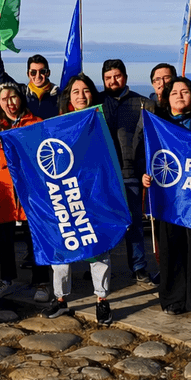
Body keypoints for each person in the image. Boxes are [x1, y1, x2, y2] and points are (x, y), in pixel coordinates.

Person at [142, 77, 191, 321]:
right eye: (174, 92)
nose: (179, 95)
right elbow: (146, 153)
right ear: (167, 98)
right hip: (170, 196)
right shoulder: (159, 124)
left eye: (184, 91)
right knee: (171, 249)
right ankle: (174, 299)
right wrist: (145, 174)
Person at [41, 74, 113, 322]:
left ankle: (102, 300)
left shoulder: (102, 119)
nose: (81, 95)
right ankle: (60, 299)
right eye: (75, 91)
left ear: (93, 93)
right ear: (68, 97)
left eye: (85, 90)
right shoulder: (58, 124)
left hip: (95, 195)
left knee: (98, 248)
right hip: (66, 193)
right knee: (62, 248)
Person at [0, 83, 51, 300]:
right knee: (4, 238)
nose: (9, 102)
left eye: (13, 97)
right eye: (3, 99)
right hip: (4, 192)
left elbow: (41, 154)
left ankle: (41, 282)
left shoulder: (35, 124)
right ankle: (6, 279)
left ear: (21, 98)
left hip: (28, 191)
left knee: (35, 236)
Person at [100, 59, 155, 285]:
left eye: (117, 76)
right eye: (108, 77)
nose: (113, 81)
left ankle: (139, 266)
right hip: (103, 175)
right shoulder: (96, 102)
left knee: (134, 224)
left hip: (132, 173)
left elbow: (153, 141)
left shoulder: (143, 104)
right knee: (104, 224)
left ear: (125, 77)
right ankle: (101, 267)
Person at [0, 30, 58, 120]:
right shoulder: (21, 92)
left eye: (42, 71)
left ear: (48, 73)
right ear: (28, 74)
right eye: (33, 72)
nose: (38, 76)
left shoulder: (59, 95)